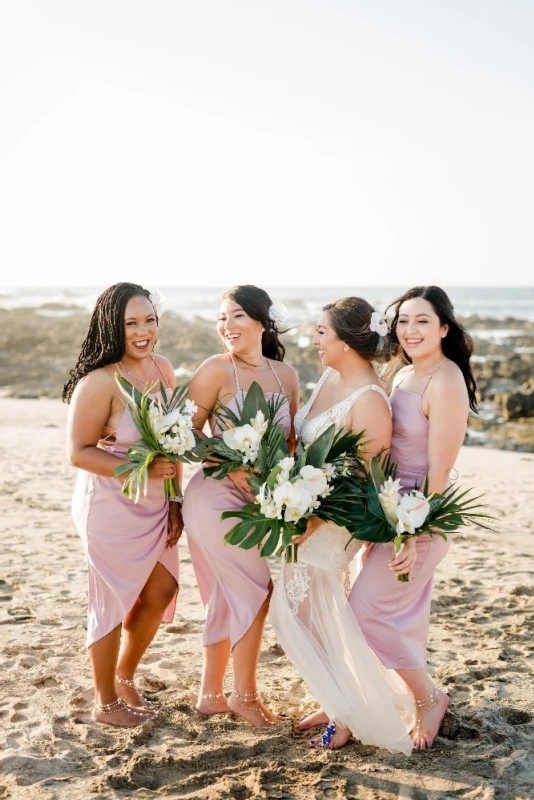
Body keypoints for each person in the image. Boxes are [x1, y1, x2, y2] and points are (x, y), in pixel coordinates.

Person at [269, 297, 415, 753]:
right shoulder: (332, 377)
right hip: (306, 513)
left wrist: (313, 516)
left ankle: (349, 712)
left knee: (301, 613)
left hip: (334, 521)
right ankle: (339, 701)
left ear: (347, 343)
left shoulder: (371, 401)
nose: (313, 339)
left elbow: (366, 480)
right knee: (309, 613)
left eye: (321, 332)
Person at [350, 285, 476, 749]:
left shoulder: (445, 381)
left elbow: (438, 473)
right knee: (387, 611)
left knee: (365, 610)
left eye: (423, 320)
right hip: (386, 511)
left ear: (444, 328)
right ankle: (356, 700)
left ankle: (428, 697)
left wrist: (409, 534)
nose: (411, 329)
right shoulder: (400, 374)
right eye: (403, 321)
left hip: (421, 516)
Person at [64, 282, 182, 727]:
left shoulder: (162, 368)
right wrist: (141, 470)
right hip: (110, 504)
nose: (143, 331)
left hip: (156, 502)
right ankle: (105, 701)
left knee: (162, 589)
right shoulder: (98, 382)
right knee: (112, 599)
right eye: (131, 323)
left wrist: (175, 500)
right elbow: (79, 452)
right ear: (112, 327)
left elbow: (173, 442)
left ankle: (124, 676)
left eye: (149, 320)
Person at [182, 285, 299, 726]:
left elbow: (290, 442)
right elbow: (186, 433)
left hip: (259, 500)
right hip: (213, 496)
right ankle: (244, 695)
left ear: (261, 322)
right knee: (256, 589)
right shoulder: (214, 370)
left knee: (227, 596)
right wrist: (229, 465)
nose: (226, 326)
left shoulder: (285, 377)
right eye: (222, 317)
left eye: (236, 317)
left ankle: (210, 694)